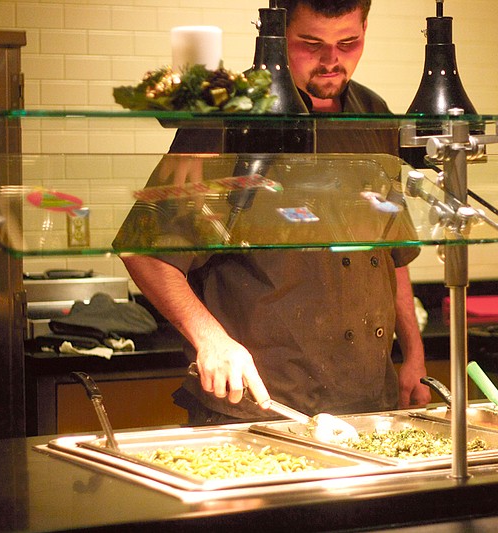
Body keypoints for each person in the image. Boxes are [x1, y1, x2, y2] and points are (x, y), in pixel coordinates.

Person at [119, 0, 431, 425]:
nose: (331, 61)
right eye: (310, 43)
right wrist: (211, 340)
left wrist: (413, 353)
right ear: (277, 33)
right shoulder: (230, 115)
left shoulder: (372, 114)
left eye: (349, 42)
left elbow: (391, 254)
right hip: (259, 404)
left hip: (367, 400)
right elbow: (146, 250)